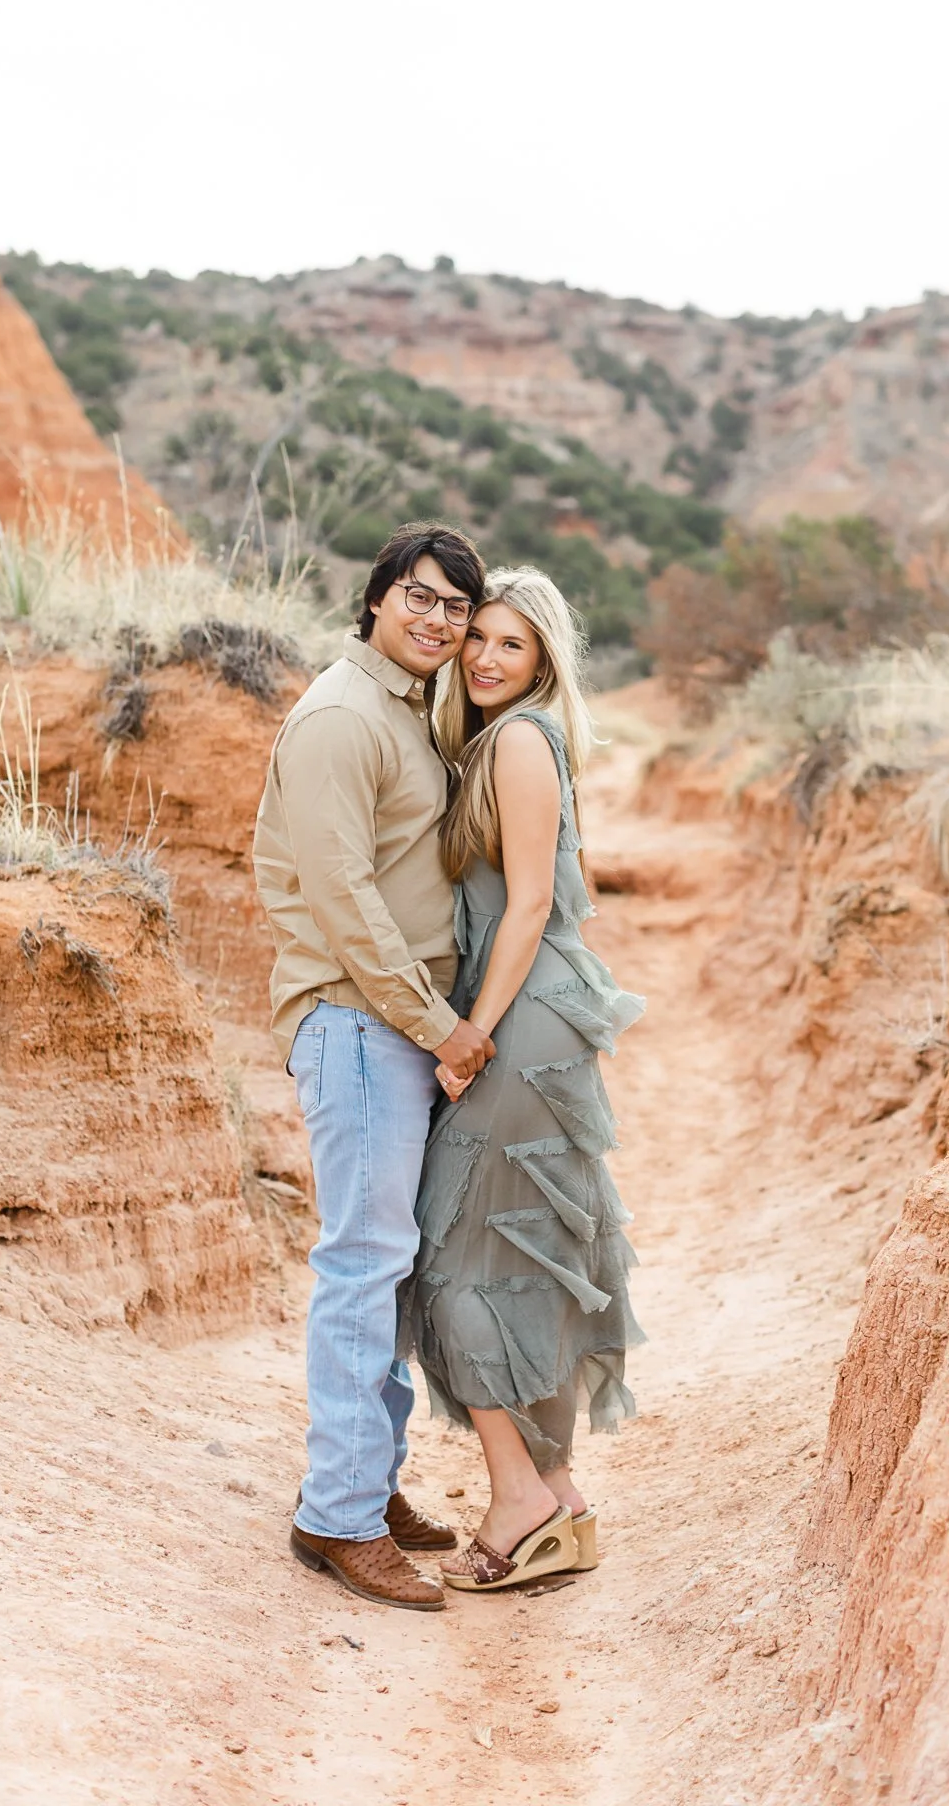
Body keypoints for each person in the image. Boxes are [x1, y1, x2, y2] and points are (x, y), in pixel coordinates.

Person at [253, 521, 493, 1613]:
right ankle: (339, 1517)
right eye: (420, 596)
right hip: (358, 1022)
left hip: (390, 1024)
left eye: (456, 606)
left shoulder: (404, 710)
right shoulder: (341, 717)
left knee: (388, 1265)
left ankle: (365, 1484)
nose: (437, 619)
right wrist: (438, 1025)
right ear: (377, 598)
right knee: (362, 1261)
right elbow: (343, 898)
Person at [397, 566, 645, 1592]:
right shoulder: (497, 739)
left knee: (447, 1254)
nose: (489, 658)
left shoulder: (519, 741)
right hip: (529, 1014)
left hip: (519, 1017)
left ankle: (518, 1496)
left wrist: (470, 1035)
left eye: (514, 644)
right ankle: (559, 1496)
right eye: (480, 639)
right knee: (517, 1255)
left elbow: (532, 903)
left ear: (543, 661)